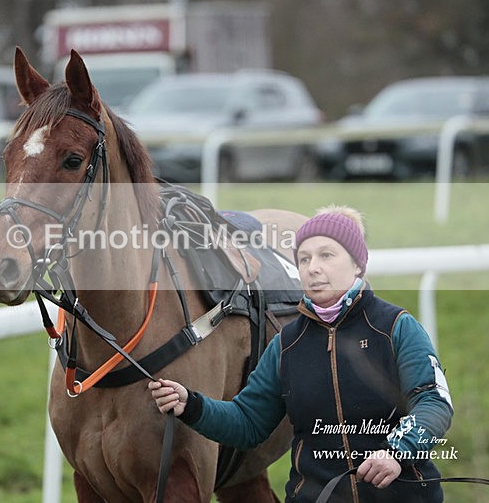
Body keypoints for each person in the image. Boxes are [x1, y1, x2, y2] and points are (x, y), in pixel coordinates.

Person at [149, 205, 454, 502]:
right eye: (304, 259)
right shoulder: (286, 344)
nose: (313, 268)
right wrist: (191, 405)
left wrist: (397, 452)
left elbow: (434, 402)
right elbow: (247, 423)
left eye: (326, 255)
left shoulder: (397, 327)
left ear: (357, 265)